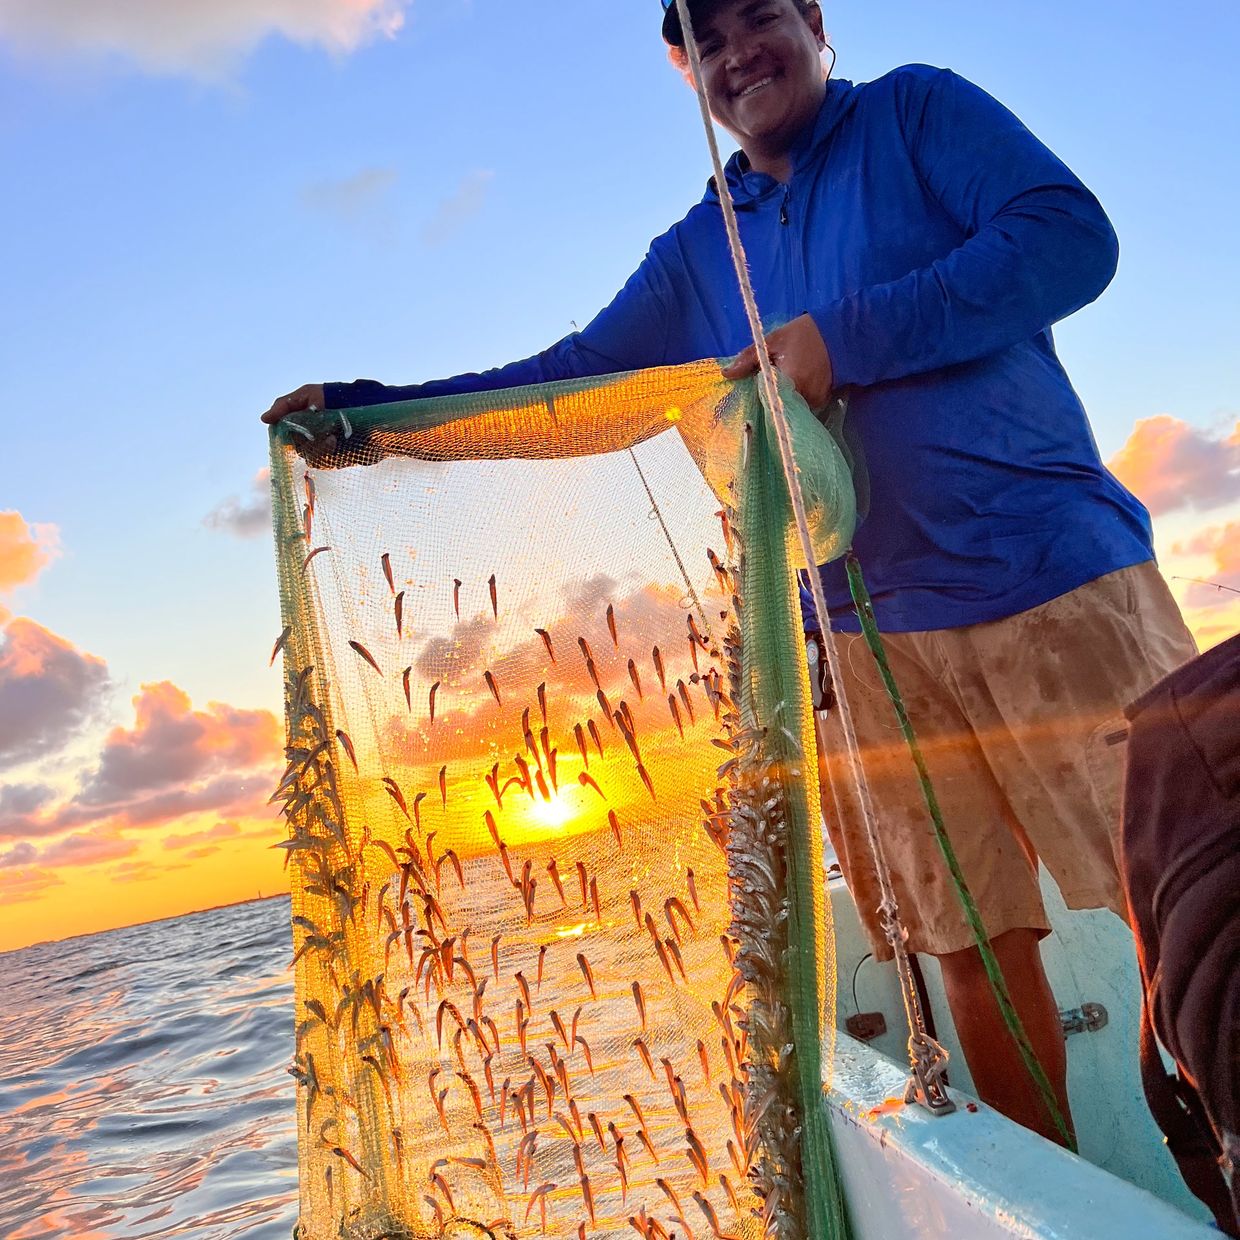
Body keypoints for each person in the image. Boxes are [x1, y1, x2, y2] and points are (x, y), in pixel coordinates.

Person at [263, 0, 1197, 1144]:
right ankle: (1050, 1199)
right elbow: (577, 382)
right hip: (862, 643)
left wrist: (844, 337)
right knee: (966, 946)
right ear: (684, 68)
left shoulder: (917, 112)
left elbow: (1067, 237)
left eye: (760, 13)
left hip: (1056, 583)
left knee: (1190, 900)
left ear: (813, 18)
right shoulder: (697, 249)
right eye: (707, 38)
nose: (739, 49)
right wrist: (378, 419)